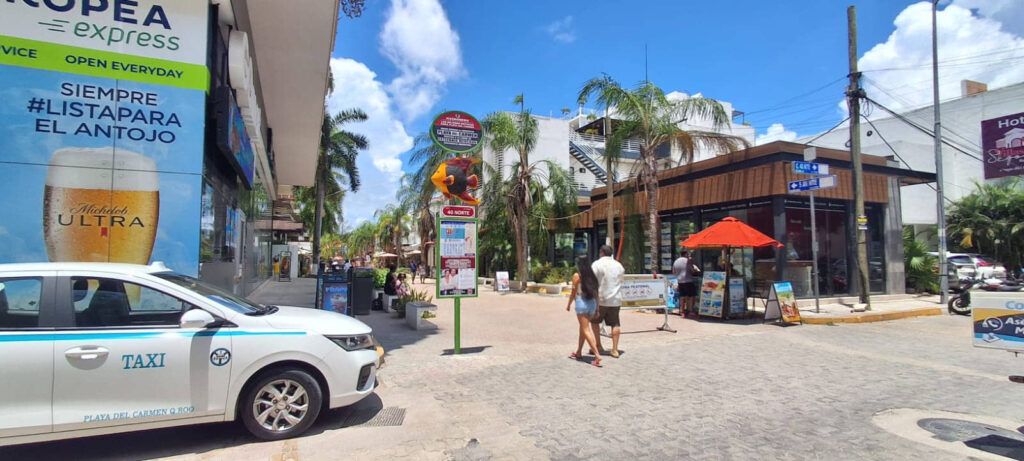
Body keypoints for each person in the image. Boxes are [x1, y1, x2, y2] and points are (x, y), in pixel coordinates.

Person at [567, 255, 602, 367]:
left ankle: (597, 355)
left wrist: (568, 304)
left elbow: (573, 293)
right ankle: (578, 352)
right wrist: (597, 308)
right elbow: (596, 293)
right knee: (583, 329)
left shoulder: (577, 276)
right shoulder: (592, 276)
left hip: (582, 303)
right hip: (592, 303)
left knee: (586, 329)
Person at [590, 244, 625, 358]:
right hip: (615, 299)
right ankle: (615, 349)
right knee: (615, 324)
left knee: (595, 322)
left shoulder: (597, 264)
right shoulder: (619, 265)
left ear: (601, 252)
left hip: (600, 299)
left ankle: (598, 345)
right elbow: (621, 281)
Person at [673, 249, 698, 317]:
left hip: (680, 281)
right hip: (688, 280)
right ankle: (690, 311)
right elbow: (692, 270)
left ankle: (682, 311)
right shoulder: (688, 261)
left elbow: (674, 272)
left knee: (682, 296)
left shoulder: (676, 261)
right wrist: (694, 268)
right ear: (686, 254)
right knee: (690, 296)